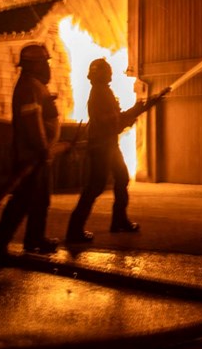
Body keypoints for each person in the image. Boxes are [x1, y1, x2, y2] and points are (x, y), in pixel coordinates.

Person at [0, 43, 69, 274]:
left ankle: (35, 239)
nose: (47, 66)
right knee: (21, 202)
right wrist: (42, 148)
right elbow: (32, 121)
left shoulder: (34, 86)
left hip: (38, 155)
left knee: (40, 200)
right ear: (35, 65)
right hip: (30, 156)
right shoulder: (28, 87)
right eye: (45, 62)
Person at [65, 58, 167, 245]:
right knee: (94, 187)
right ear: (102, 74)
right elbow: (113, 121)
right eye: (108, 71)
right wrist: (137, 111)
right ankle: (74, 230)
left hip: (108, 145)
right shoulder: (100, 93)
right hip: (102, 147)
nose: (111, 74)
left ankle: (118, 221)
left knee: (121, 179)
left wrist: (141, 107)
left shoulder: (102, 91)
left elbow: (116, 118)